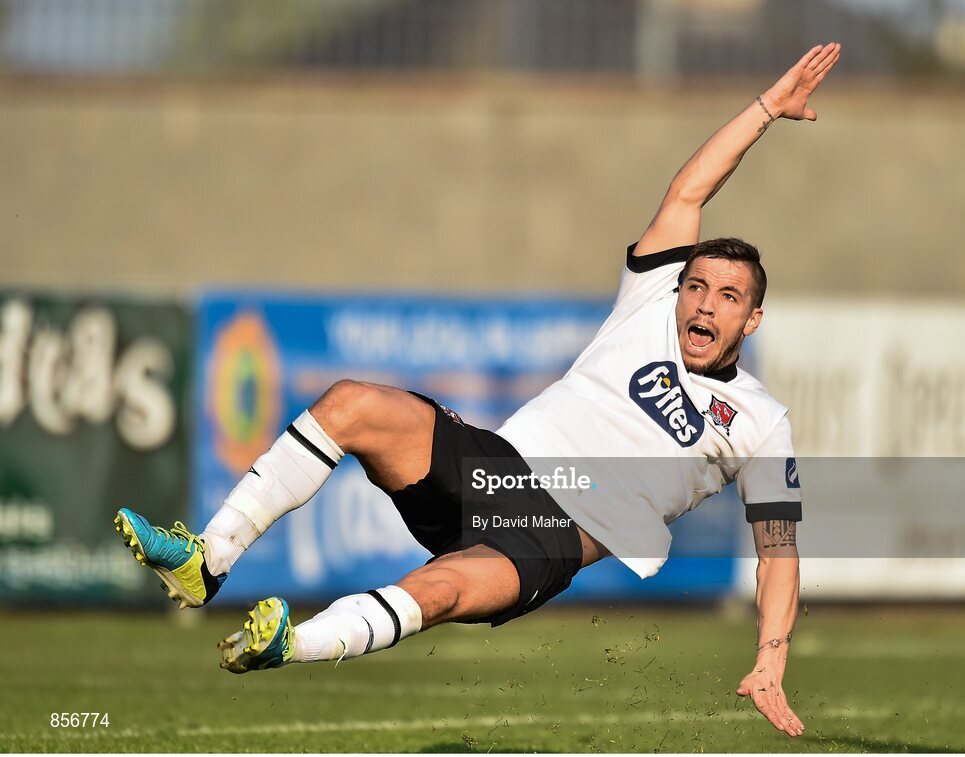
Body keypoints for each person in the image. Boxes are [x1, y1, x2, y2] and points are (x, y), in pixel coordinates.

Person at [115, 42, 840, 738]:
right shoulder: (650, 301)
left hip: (553, 537)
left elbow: (778, 549)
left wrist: (771, 656)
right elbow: (691, 188)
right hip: (493, 465)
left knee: (439, 589)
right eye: (698, 286)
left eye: (729, 296)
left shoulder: (760, 420)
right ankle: (206, 558)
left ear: (753, 316)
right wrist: (767, 109)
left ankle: (286, 645)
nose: (706, 304)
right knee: (351, 403)